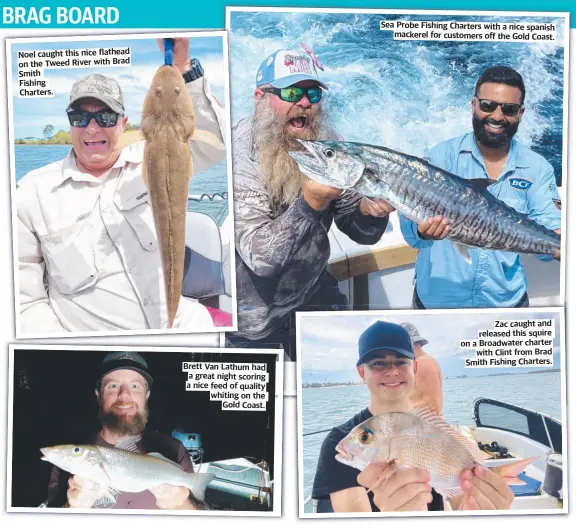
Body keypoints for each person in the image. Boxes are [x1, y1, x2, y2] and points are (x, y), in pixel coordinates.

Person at [17, 38, 226, 333]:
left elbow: (219, 144)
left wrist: (182, 67)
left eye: (105, 116)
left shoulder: (152, 155)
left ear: (124, 122)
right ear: (69, 124)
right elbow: (25, 303)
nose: (92, 127)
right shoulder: (31, 192)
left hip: (184, 325)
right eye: (80, 117)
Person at [226, 47, 393, 360]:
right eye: (291, 92)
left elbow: (360, 231)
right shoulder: (239, 154)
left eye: (312, 93)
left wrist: (371, 213)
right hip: (252, 315)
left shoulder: (325, 140)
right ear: (260, 97)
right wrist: (310, 203)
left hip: (313, 288)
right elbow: (260, 259)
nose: (303, 102)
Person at [400, 66, 561, 309]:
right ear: (474, 105)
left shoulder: (537, 168)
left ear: (521, 113)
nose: (497, 116)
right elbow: (413, 235)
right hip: (437, 304)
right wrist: (423, 232)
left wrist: (561, 245)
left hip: (506, 306)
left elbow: (549, 231)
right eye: (488, 105)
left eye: (509, 109)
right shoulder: (441, 156)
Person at [312, 321, 514, 512]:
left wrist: (477, 509)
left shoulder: (434, 429)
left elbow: (461, 500)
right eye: (378, 364)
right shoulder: (338, 442)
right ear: (361, 372)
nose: (392, 371)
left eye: (401, 362)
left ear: (414, 368)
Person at [45, 351, 204, 510]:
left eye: (134, 386)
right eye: (113, 386)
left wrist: (183, 504)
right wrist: (74, 508)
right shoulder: (66, 464)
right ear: (98, 395)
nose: (124, 395)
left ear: (146, 395)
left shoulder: (174, 450)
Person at [400, 322, 443, 415]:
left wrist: (396, 409)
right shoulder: (416, 363)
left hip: (428, 427)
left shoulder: (424, 363)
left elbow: (432, 406)